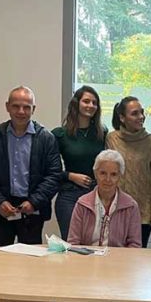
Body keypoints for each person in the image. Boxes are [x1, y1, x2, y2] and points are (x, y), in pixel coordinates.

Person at [0, 86, 62, 302]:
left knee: (30, 265)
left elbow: (54, 174)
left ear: (33, 109)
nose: (21, 111)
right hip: (1, 209)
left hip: (31, 211)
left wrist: (34, 201)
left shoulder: (46, 138)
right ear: (7, 107)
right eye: (16, 106)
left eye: (27, 107)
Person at [67, 149, 142, 302]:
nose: (108, 179)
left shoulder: (131, 206)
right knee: (76, 292)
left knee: (120, 290)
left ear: (120, 177)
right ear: (95, 174)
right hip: (86, 267)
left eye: (113, 174)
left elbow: (135, 246)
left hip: (119, 270)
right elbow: (73, 241)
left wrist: (116, 265)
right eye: (103, 173)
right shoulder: (82, 203)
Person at [105, 97, 151, 246]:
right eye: (134, 114)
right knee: (115, 255)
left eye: (142, 113)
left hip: (143, 212)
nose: (141, 117)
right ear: (122, 117)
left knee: (136, 257)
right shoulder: (111, 139)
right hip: (115, 208)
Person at [53, 86, 107, 241]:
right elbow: (50, 170)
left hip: (97, 195)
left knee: (96, 242)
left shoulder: (102, 134)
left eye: (94, 102)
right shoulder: (60, 134)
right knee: (72, 244)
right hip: (69, 196)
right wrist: (71, 176)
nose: (90, 105)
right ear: (76, 103)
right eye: (86, 101)